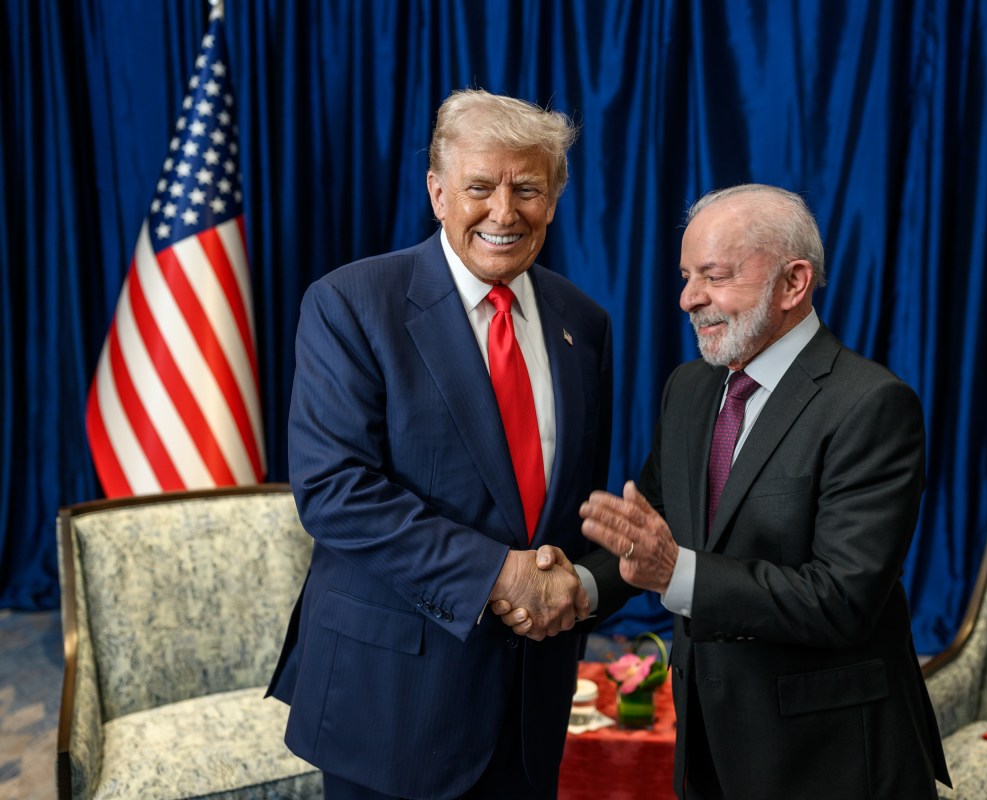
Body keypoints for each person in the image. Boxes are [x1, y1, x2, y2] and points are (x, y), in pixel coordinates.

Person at [266, 88, 617, 800]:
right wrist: (501, 576)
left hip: (531, 706)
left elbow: (575, 502)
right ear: (437, 192)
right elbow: (336, 492)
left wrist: (568, 584)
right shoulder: (350, 305)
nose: (503, 210)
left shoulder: (585, 323)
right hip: (394, 702)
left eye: (528, 188)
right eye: (480, 187)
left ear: (553, 201)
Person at [575, 184, 952, 798]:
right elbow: (652, 530)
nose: (688, 299)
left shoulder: (871, 405)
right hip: (707, 745)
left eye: (714, 276)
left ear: (792, 283)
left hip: (827, 758)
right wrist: (578, 587)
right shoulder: (690, 389)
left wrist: (676, 572)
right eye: (686, 276)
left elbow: (841, 599)